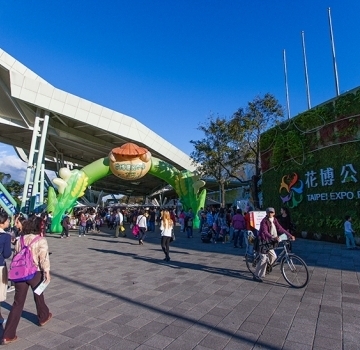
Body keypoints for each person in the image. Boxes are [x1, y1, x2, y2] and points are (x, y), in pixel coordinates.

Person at [2, 217, 52, 345]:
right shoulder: (41, 240)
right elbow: (43, 258)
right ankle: (43, 317)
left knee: (17, 304)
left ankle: (8, 335)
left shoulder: (20, 240)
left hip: (20, 273)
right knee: (38, 295)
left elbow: (15, 256)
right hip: (35, 272)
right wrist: (47, 272)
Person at [253, 207, 295, 283]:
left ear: (274, 213)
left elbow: (280, 229)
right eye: (269, 212)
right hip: (263, 241)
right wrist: (273, 237)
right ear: (266, 213)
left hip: (270, 241)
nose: (270, 214)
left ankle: (266, 269)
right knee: (263, 259)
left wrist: (289, 235)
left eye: (272, 212)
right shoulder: (264, 221)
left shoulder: (274, 220)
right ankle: (256, 275)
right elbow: (265, 232)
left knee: (274, 257)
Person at [0, 213, 12, 322]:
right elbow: (7, 254)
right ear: (2, 223)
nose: (9, 222)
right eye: (7, 221)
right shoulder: (6, 236)